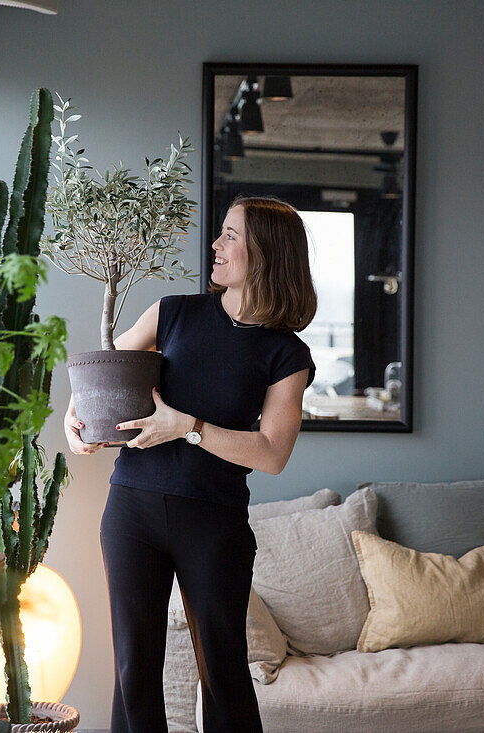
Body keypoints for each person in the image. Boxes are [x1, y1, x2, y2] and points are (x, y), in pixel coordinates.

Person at [63, 195, 317, 733]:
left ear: (266, 253)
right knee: (134, 672)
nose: (216, 244)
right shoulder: (173, 313)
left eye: (230, 235)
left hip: (214, 522)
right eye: (221, 233)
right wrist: (74, 418)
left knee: (223, 672)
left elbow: (272, 453)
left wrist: (188, 427)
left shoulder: (287, 355)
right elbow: (100, 371)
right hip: (131, 510)